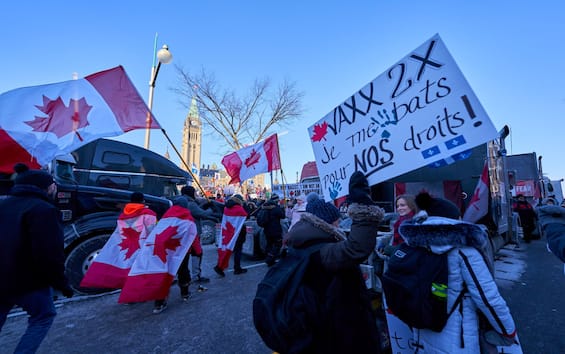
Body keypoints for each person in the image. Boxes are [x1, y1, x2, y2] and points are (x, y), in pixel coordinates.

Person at [395, 191, 517, 353]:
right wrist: (507, 331)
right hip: (458, 338)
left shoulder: (413, 244)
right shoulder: (464, 250)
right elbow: (487, 297)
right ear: (453, 218)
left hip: (422, 329)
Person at [283, 172, 385, 353]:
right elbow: (357, 248)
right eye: (337, 222)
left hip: (321, 324)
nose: (339, 225)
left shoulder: (301, 242)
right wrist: (363, 204)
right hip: (336, 331)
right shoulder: (319, 250)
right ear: (327, 223)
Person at [0, 164, 74, 353]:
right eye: (53, 184)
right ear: (46, 187)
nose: (56, 188)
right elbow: (50, 254)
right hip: (29, 281)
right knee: (43, 317)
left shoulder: (3, 204)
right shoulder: (44, 210)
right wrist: (62, 284)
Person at [180, 185, 216, 284]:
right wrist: (211, 209)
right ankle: (196, 276)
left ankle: (181, 277)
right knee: (197, 254)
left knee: (183, 256)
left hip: (182, 233)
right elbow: (202, 214)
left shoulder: (180, 202)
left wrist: (201, 206)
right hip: (193, 232)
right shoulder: (190, 203)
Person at [213, 194, 249, 277]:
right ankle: (237, 268)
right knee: (238, 251)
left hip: (228, 232)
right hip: (237, 233)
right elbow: (246, 215)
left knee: (225, 250)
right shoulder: (239, 209)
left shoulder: (226, 208)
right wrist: (246, 206)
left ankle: (220, 266)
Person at [536, 197, 565, 264]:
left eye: (551, 202)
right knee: (559, 239)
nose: (550, 204)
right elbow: (555, 209)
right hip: (552, 225)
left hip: (562, 226)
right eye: (548, 202)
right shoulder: (542, 208)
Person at [259, 194, 286, 266]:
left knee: (269, 244)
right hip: (275, 230)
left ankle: (269, 258)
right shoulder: (275, 208)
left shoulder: (264, 207)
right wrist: (282, 207)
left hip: (266, 230)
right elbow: (283, 216)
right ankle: (270, 259)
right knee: (278, 244)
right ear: (276, 200)